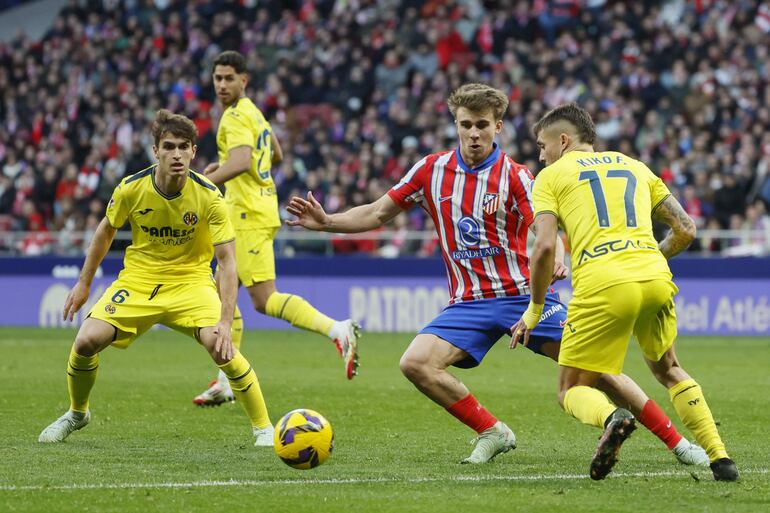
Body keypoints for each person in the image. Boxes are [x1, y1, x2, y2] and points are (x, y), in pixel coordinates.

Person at [287, 83, 707, 465]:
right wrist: (327, 222)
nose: (474, 133)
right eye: (466, 125)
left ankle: (678, 444)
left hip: (522, 299)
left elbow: (549, 230)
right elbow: (377, 212)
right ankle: (493, 431)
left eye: (482, 125)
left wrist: (558, 256)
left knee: (598, 372)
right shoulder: (430, 171)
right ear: (456, 125)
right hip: (467, 302)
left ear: (498, 126)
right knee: (415, 363)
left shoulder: (519, 176)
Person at [511, 102, 738, 481]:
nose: (540, 154)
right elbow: (685, 228)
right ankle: (720, 458)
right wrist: (649, 255)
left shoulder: (549, 178)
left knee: (571, 389)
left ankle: (613, 416)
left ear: (563, 140)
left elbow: (546, 247)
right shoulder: (634, 165)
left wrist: (534, 310)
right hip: (654, 277)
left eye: (542, 145)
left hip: (602, 284)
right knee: (669, 369)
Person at [38, 110, 275, 447]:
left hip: (191, 282)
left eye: (183, 147)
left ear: (194, 151)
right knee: (86, 341)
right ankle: (77, 413)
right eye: (169, 147)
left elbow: (227, 261)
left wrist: (225, 320)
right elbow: (105, 233)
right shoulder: (131, 189)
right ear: (156, 151)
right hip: (139, 280)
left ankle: (264, 429)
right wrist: (84, 283)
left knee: (222, 347)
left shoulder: (209, 196)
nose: (176, 154)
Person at [194, 50, 361, 407]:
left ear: (244, 80)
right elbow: (277, 155)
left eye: (229, 78)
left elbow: (241, 161)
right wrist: (224, 166)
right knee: (224, 290)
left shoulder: (235, 117)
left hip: (246, 214)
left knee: (264, 298)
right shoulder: (253, 112)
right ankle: (226, 379)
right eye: (217, 78)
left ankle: (337, 330)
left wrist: (202, 182)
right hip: (253, 209)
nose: (222, 85)